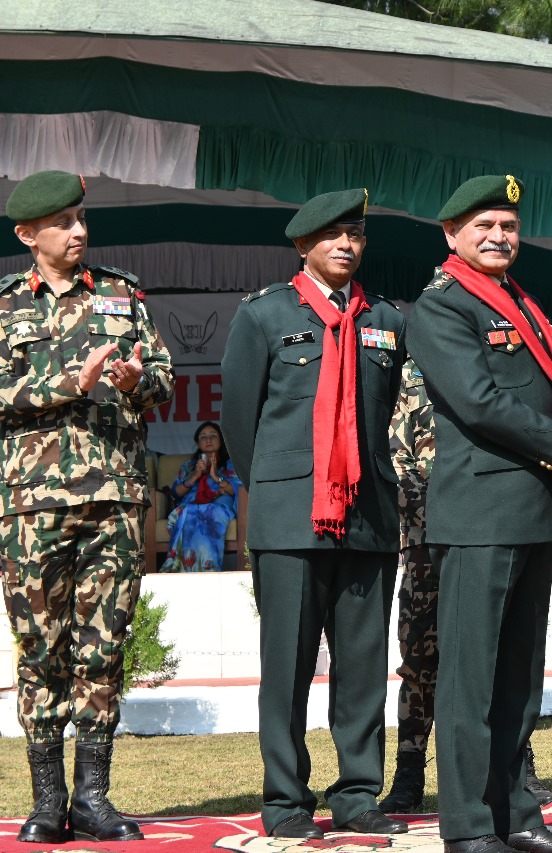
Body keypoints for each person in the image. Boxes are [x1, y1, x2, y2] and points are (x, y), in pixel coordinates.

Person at [221, 188, 408, 839]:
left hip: (369, 519)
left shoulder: (387, 317)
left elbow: (398, 419)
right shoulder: (264, 316)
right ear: (304, 245)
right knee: (288, 668)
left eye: (355, 233)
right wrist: (279, 490)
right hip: (290, 519)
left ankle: (358, 792)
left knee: (362, 669)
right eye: (332, 235)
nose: (347, 244)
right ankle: (285, 798)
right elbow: (238, 424)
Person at [2, 170, 174, 843]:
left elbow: (163, 375)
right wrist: (67, 380)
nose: (79, 231)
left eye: (81, 218)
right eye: (64, 222)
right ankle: (47, 801)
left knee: (103, 648)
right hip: (32, 507)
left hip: (116, 499)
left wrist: (137, 378)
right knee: (42, 649)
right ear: (27, 234)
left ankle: (93, 797)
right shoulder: (7, 304)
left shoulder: (122, 294)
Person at [378, 357, 438, 814]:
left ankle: (518, 768)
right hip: (424, 542)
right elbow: (397, 461)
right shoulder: (407, 374)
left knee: (498, 656)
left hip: (487, 534)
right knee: (418, 658)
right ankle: (409, 773)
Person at [159, 421, 242, 572]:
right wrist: (195, 475)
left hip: (219, 505)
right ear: (198, 443)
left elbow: (236, 490)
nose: (208, 440)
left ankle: (207, 569)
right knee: (188, 512)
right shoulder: (188, 466)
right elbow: (175, 493)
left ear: (221, 441)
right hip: (190, 505)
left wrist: (216, 476)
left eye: (213, 436)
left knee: (208, 512)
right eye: (203, 437)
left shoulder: (232, 464)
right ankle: (180, 569)